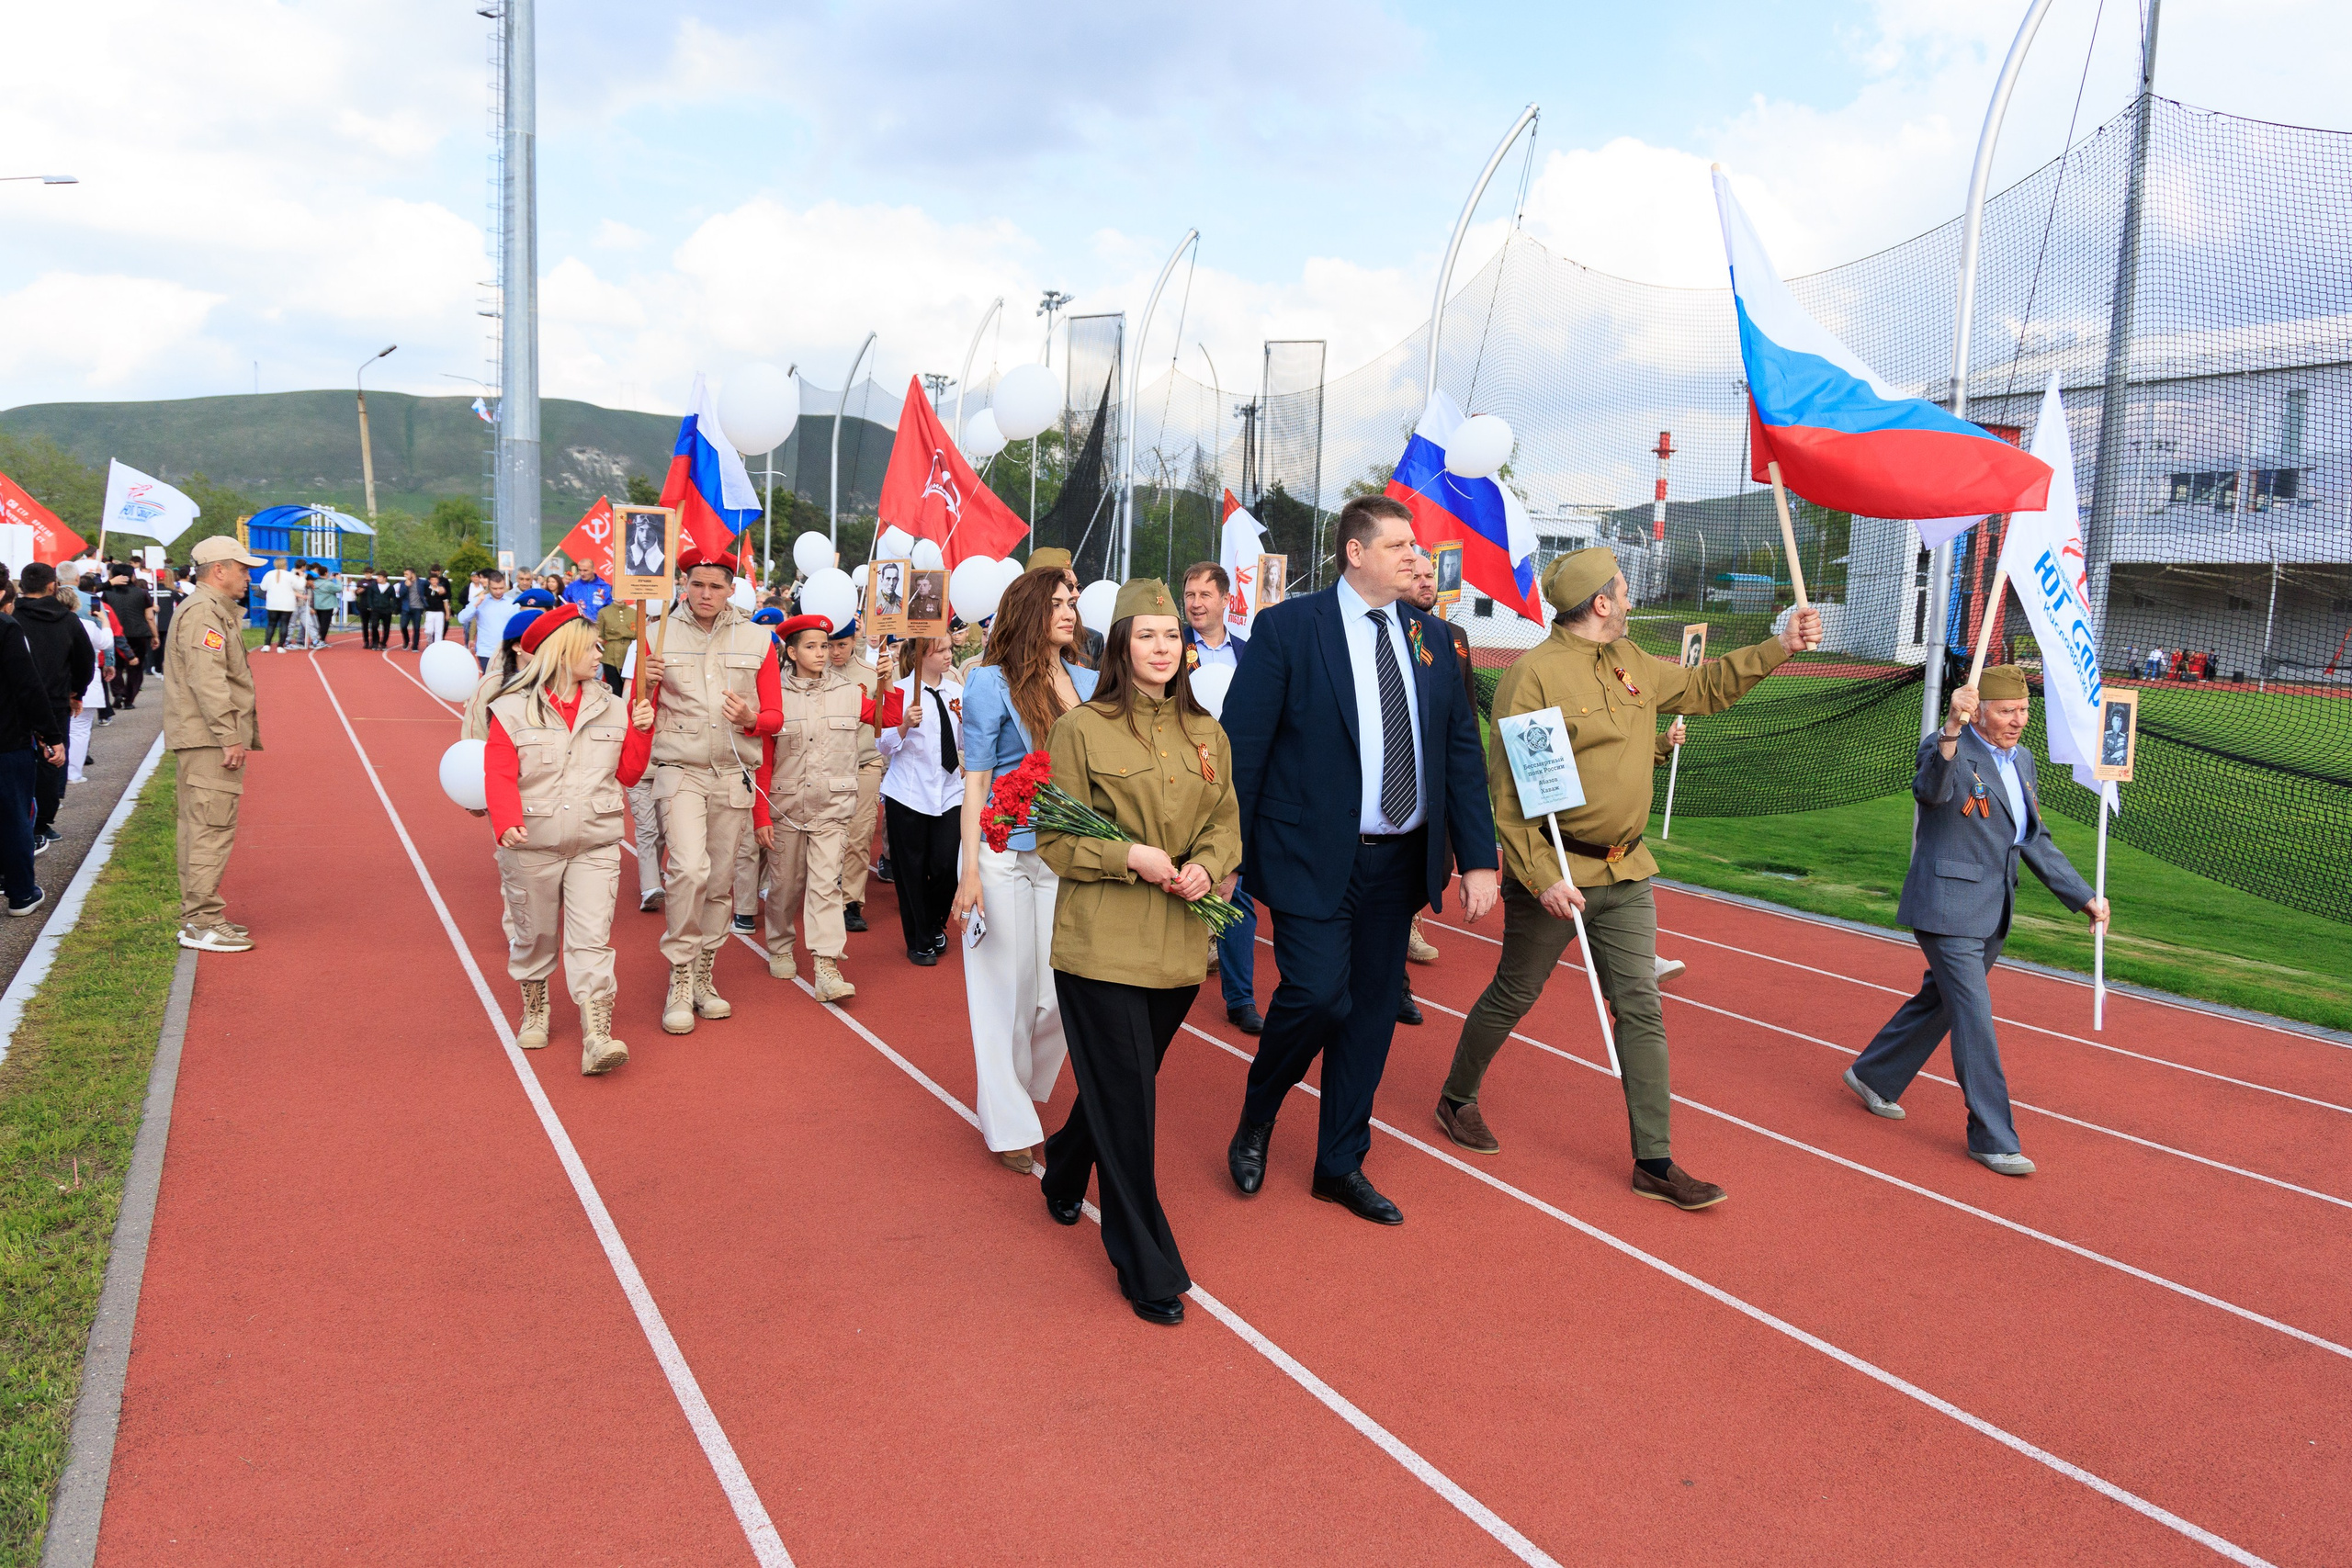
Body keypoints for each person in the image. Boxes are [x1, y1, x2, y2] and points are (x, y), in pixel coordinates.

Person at [1432, 547, 1818, 1209]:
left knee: (1640, 1004)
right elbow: (1511, 796)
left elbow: (1705, 688)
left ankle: (1655, 1161)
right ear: (1601, 602)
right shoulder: (1533, 676)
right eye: (1625, 589)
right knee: (1515, 992)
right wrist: (1542, 877)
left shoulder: (1631, 659)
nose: (1632, 599)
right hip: (1561, 873)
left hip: (1628, 870)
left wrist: (1780, 644)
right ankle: (1455, 1096)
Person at [1220, 495, 1499, 1225]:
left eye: (1416, 546)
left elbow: (1460, 752)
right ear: (1355, 552)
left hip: (1400, 862)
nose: (1415, 556)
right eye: (1400, 545)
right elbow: (1242, 750)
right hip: (1310, 853)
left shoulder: (1435, 637)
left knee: (1372, 1013)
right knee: (1317, 994)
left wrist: (1478, 857)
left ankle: (1340, 1162)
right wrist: (1225, 853)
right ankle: (1259, 1112)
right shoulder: (1289, 628)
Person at [1036, 579, 1240, 1326]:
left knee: (1122, 1086)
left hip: (1178, 946)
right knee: (1131, 1105)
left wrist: (1207, 864)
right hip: (1101, 943)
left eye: (1172, 635)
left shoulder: (1207, 731)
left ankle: (1065, 1166)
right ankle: (1145, 1262)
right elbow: (1056, 838)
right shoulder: (1082, 728)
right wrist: (1131, 855)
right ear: (1120, 646)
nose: (1163, 647)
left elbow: (1224, 821)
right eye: (1147, 635)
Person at [1843, 666, 2107, 1174]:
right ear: (1978, 712)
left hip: (1992, 909)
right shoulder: (1945, 747)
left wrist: (2083, 897)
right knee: (1974, 1018)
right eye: (2007, 711)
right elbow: (1931, 791)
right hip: (1945, 908)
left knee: (1941, 1001)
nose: (2018, 721)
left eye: (2023, 710)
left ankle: (1875, 1074)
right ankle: (1992, 1137)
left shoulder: (2022, 759)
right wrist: (1949, 730)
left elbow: (2031, 837)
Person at [951, 566, 1097, 1172]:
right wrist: (969, 871)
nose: (1068, 611)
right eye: (1056, 603)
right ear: (1030, 611)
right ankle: (1008, 1119)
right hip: (1001, 852)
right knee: (1003, 993)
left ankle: (1019, 1088)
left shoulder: (1090, 681)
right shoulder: (990, 683)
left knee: (1056, 994)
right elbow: (976, 780)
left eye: (1072, 603)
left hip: (1065, 852)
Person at [482, 603, 654, 1075]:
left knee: (592, 941)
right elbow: (499, 773)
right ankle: (536, 1004)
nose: (601, 654)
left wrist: (642, 732)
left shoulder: (613, 706)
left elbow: (629, 773)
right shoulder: (511, 709)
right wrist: (506, 820)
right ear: (562, 652)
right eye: (591, 646)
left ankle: (597, 1035)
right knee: (534, 935)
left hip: (595, 844)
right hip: (530, 844)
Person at [637, 542, 782, 1034]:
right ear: (683, 584)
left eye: (715, 586)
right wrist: (644, 684)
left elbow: (776, 717)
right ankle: (679, 973)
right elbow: (635, 713)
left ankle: (704, 972)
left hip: (734, 774)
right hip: (680, 770)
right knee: (689, 869)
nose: (704, 593)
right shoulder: (654, 634)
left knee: (720, 881)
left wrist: (751, 717)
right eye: (696, 584)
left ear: (731, 588)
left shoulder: (758, 638)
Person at [754, 614, 901, 1002]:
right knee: (785, 886)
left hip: (833, 808)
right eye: (811, 646)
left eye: (824, 645)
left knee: (825, 887)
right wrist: (760, 814)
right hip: (785, 808)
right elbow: (763, 759)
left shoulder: (848, 691)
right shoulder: (773, 695)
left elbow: (888, 718)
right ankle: (780, 945)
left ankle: (827, 965)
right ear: (792, 652)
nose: (821, 653)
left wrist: (888, 679)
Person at [164, 536, 268, 952]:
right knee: (210, 827)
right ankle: (201, 921)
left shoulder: (210, 610)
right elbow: (207, 680)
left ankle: (199, 915)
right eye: (242, 569)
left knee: (201, 826)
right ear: (218, 570)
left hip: (203, 736)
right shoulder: (204, 613)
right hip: (208, 738)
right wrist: (229, 735)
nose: (248, 577)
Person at [1178, 562, 1261, 1031]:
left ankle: (1240, 999)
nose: (1195, 603)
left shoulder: (1251, 654)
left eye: (1204, 595)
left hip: (1233, 785)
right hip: (1178, 780)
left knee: (1235, 889)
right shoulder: (1172, 647)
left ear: (1226, 601)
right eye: (1189, 594)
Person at [875, 635, 963, 964]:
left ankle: (935, 921)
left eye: (950, 649)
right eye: (941, 650)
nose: (948, 656)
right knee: (911, 870)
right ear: (922, 654)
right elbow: (882, 744)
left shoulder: (957, 692)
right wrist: (902, 726)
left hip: (949, 791)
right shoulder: (899, 691)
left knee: (946, 867)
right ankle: (919, 940)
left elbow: (966, 738)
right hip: (909, 793)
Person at [16, 566, 96, 855]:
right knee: (52, 760)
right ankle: (42, 822)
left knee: (19, 759)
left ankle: (22, 818)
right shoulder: (68, 620)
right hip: (55, 700)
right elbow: (85, 660)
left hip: (16, 701)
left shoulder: (12, 617)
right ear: (53, 586)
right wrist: (76, 692)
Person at [0, 581, 61, 917]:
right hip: (7, 740)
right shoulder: (6, 627)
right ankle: (21, 893)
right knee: (14, 818)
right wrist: (49, 733)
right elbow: (27, 685)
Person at [829, 621, 888, 932]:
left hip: (865, 763)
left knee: (860, 835)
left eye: (842, 644)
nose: (835, 652)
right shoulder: (813, 672)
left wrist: (888, 680)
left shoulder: (871, 673)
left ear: (854, 640)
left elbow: (888, 716)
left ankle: (851, 902)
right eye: (830, 644)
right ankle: (825, 894)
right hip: (826, 766)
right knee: (826, 835)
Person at [100, 566, 156, 708]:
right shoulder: (142, 593)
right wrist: (155, 635)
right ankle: (129, 699)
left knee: (115, 664)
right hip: (139, 633)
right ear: (132, 576)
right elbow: (149, 617)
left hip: (114, 633)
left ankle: (118, 692)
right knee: (136, 668)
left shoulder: (106, 594)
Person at [69, 589, 109, 784]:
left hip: (56, 681)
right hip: (85, 680)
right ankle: (72, 773)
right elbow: (106, 643)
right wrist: (104, 619)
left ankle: (61, 774)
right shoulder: (87, 625)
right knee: (79, 729)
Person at [458, 570, 519, 671]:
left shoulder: (513, 604)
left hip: (507, 651)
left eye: (501, 588)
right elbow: (462, 618)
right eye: (495, 588)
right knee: (489, 679)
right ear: (488, 587)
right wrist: (476, 604)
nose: (498, 591)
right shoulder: (479, 601)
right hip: (486, 652)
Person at [261, 558, 301, 649]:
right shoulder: (290, 575)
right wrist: (301, 577)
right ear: (285, 565)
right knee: (284, 624)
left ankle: (267, 645)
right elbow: (299, 586)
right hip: (287, 604)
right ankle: (280, 646)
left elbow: (263, 587)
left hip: (272, 603)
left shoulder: (269, 574)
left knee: (271, 624)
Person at [310, 565, 343, 646]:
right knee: (325, 624)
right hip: (327, 606)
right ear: (326, 573)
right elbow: (339, 588)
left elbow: (323, 583)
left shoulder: (315, 582)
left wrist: (329, 579)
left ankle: (315, 639)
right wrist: (338, 580)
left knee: (318, 623)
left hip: (317, 605)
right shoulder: (329, 584)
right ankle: (322, 640)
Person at [396, 569, 427, 649]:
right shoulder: (403, 583)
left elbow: (431, 585)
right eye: (404, 574)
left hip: (418, 608)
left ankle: (415, 646)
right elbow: (400, 594)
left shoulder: (421, 582)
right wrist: (406, 586)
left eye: (407, 574)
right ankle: (406, 641)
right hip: (406, 608)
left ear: (412, 574)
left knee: (416, 628)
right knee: (403, 626)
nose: (405, 576)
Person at [423, 570, 452, 646]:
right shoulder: (426, 590)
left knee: (438, 631)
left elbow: (445, 602)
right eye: (432, 580)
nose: (434, 581)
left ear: (438, 581)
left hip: (439, 612)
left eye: (435, 580)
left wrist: (447, 613)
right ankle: (429, 642)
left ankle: (436, 646)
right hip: (429, 612)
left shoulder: (442, 591)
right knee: (428, 631)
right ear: (429, 581)